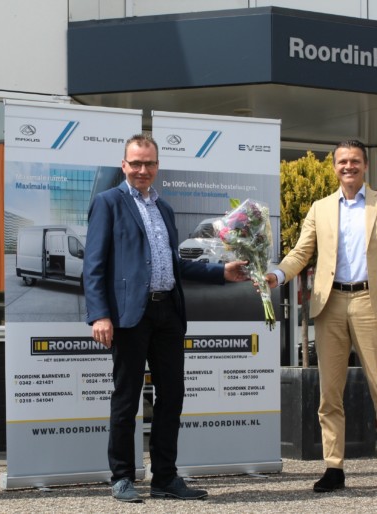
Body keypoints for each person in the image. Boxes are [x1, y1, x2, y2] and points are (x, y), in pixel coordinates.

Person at [84, 134, 249, 502]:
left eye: (149, 163)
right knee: (126, 398)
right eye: (136, 163)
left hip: (168, 313)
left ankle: (165, 478)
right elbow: (93, 265)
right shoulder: (108, 203)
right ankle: (122, 477)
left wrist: (221, 272)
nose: (142, 170)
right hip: (130, 316)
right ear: (124, 165)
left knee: (172, 396)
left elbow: (176, 265)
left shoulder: (165, 209)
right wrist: (100, 314)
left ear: (157, 166)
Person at [266, 139, 377, 495]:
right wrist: (277, 275)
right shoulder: (320, 208)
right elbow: (301, 252)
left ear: (365, 165)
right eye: (342, 161)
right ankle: (334, 468)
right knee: (329, 394)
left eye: (355, 161)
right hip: (330, 303)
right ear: (334, 167)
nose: (348, 166)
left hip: (372, 303)